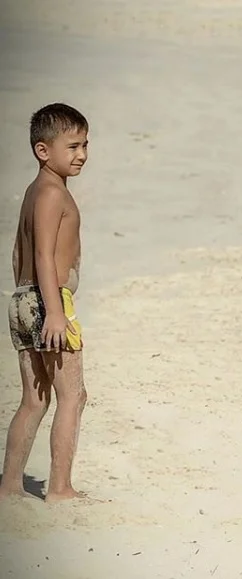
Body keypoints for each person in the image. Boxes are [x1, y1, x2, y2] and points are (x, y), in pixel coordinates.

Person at [0, 103, 89, 502]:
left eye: (85, 145)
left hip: (24, 299)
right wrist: (54, 310)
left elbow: (18, 254)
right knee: (73, 396)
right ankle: (60, 488)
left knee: (34, 400)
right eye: (72, 146)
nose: (81, 154)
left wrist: (28, 303)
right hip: (46, 303)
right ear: (42, 150)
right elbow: (42, 255)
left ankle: (9, 486)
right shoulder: (52, 193)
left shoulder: (35, 191)